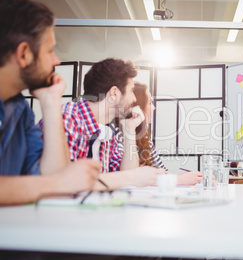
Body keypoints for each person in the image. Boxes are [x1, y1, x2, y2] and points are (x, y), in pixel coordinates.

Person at [0, 0, 100, 205]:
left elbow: (53, 176)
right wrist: (57, 184)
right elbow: (57, 183)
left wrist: (52, 102)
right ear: (24, 54)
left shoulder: (18, 108)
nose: (57, 61)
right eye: (49, 51)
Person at [53, 58, 165, 190]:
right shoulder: (68, 118)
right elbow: (63, 182)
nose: (134, 99)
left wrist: (129, 130)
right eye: (131, 91)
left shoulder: (107, 129)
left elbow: (125, 178)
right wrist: (133, 177)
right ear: (114, 93)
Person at [114, 81, 203, 185]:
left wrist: (189, 178)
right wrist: (177, 180)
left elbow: (163, 171)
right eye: (149, 103)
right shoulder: (118, 135)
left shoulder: (144, 138)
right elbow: (130, 178)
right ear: (137, 106)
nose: (154, 107)